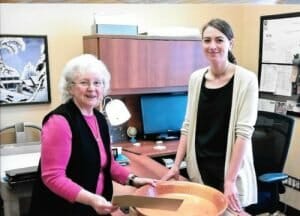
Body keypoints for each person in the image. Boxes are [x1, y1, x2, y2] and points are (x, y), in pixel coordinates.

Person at [29, 54, 156, 216]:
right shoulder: (59, 121)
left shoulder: (99, 119)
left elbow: (107, 163)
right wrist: (92, 199)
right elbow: (53, 177)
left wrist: (134, 179)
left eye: (97, 83)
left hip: (94, 207)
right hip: (64, 209)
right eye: (84, 82)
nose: (92, 88)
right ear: (70, 88)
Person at [162, 18, 258, 215]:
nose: (212, 46)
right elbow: (187, 125)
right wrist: (176, 166)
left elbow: (243, 133)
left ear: (231, 43)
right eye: (207, 40)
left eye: (219, 40)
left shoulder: (247, 80)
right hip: (201, 166)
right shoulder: (196, 78)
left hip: (231, 170)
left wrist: (230, 181)